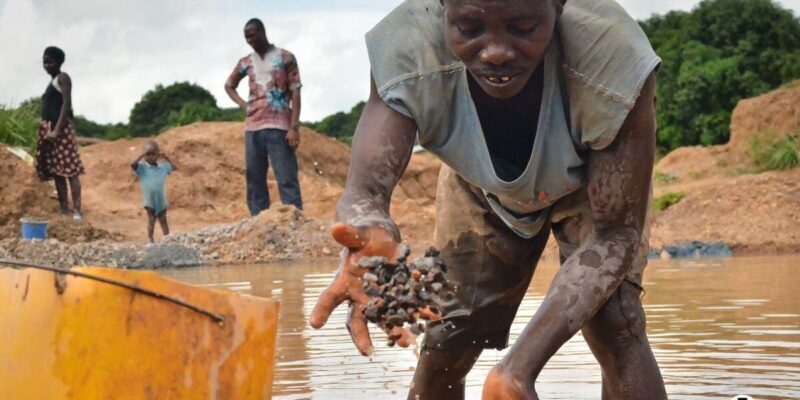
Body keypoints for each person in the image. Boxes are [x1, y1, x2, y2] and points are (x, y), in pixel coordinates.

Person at [309, 0, 667, 399]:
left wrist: (517, 369)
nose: (495, 51)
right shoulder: (409, 49)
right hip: (477, 187)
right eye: (468, 27)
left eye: (523, 27)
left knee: (615, 319)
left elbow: (614, 235)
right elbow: (366, 192)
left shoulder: (612, 58)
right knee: (450, 338)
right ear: (443, 9)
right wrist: (370, 234)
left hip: (594, 184)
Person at [224, 17, 303, 216]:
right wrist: (243, 104)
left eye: (252, 35)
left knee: (286, 177)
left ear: (262, 32)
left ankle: (295, 219)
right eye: (246, 37)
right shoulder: (246, 62)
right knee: (254, 178)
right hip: (253, 128)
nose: (249, 39)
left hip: (280, 126)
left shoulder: (285, 57)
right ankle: (258, 220)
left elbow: (295, 92)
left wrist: (294, 127)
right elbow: (229, 85)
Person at [36, 46, 85, 221]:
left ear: (59, 62)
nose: (47, 65)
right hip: (51, 131)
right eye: (44, 62)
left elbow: (66, 104)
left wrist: (57, 130)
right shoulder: (52, 82)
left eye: (50, 61)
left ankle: (77, 210)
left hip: (61, 130)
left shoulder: (63, 78)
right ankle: (64, 209)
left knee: (71, 170)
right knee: (57, 171)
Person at [131, 140, 175, 243]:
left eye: (153, 154)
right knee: (151, 219)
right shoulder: (142, 168)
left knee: (163, 220)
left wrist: (166, 157)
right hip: (149, 200)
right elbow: (132, 164)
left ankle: (167, 238)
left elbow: (174, 167)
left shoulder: (163, 167)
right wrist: (141, 155)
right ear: (144, 155)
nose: (151, 156)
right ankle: (150, 239)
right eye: (148, 154)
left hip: (161, 200)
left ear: (158, 154)